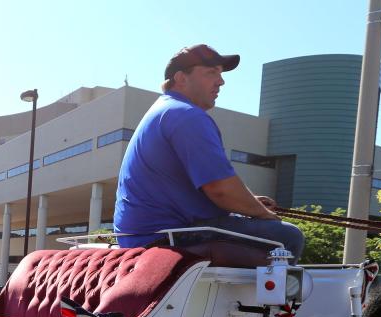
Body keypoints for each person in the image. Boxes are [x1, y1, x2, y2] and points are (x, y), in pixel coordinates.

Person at [114, 44, 305, 261]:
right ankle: (266, 295)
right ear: (181, 78)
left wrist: (250, 202)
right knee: (286, 236)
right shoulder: (187, 116)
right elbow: (221, 190)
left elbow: (211, 188)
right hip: (165, 235)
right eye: (211, 73)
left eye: (220, 74)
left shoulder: (166, 109)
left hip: (141, 235)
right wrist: (265, 214)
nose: (221, 81)